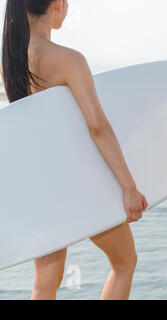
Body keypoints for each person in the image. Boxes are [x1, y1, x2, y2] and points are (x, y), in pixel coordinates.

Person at [1, 0, 148, 300]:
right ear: (56, 4)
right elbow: (98, 128)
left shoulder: (10, 60)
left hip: (40, 187)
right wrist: (129, 187)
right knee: (124, 263)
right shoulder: (69, 60)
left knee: (45, 284)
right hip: (78, 184)